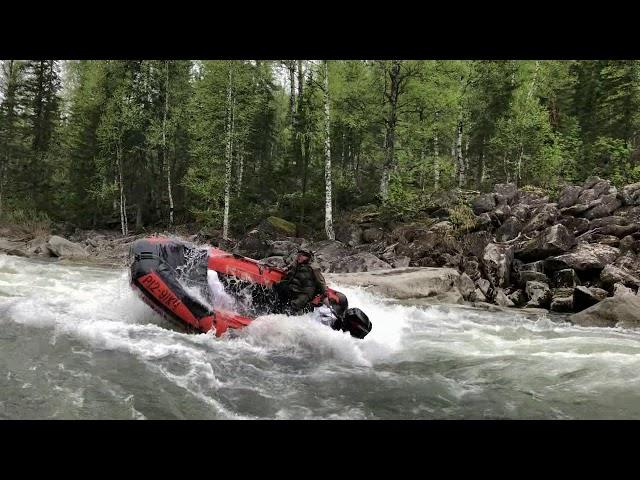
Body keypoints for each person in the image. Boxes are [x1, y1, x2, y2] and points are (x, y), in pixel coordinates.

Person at [275, 248, 328, 314]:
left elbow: (321, 282)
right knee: (277, 289)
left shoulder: (313, 268)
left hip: (305, 292)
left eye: (302, 255)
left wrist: (325, 294)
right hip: (293, 288)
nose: (299, 257)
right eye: (298, 255)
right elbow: (288, 268)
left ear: (307, 257)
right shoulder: (296, 263)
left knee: (293, 306)